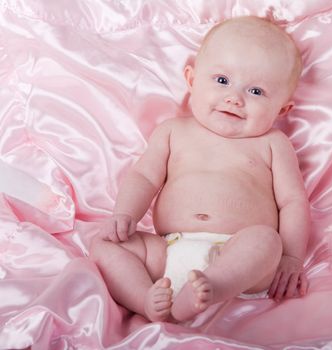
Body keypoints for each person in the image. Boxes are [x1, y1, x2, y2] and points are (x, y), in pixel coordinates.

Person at [89, 15, 310, 323]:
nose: (234, 99)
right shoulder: (172, 131)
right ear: (192, 80)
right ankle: (146, 300)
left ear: (282, 109)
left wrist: (291, 258)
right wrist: (125, 214)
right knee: (104, 244)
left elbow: (293, 202)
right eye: (222, 81)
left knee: (266, 240)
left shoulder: (273, 143)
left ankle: (213, 287)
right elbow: (144, 176)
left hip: (236, 254)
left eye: (256, 92)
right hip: (168, 250)